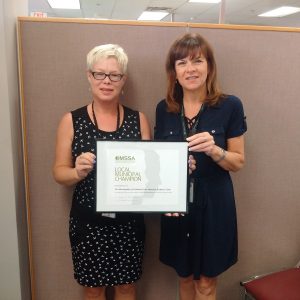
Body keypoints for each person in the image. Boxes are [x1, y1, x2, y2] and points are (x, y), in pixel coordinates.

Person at [53, 44, 152, 300]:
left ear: (123, 80)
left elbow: (150, 172)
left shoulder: (138, 119)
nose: (107, 81)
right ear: (89, 76)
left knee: (127, 286)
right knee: (93, 289)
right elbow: (59, 173)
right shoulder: (71, 120)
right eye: (100, 74)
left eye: (114, 75)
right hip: (88, 221)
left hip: (129, 222)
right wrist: (77, 172)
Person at [154, 33, 247, 300]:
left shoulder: (230, 105)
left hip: (215, 204)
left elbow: (239, 162)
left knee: (206, 283)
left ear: (210, 66)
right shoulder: (165, 109)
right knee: (183, 277)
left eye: (197, 61)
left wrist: (215, 150)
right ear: (174, 71)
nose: (190, 69)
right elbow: (158, 161)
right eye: (181, 63)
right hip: (176, 204)